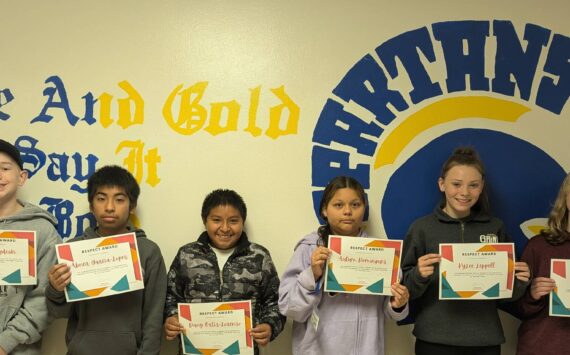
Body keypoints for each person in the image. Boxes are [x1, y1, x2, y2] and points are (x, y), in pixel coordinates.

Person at [401, 147, 531, 355]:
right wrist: (418, 275)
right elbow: (404, 288)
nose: (464, 193)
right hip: (434, 340)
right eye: (456, 184)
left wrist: (520, 282)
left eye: (473, 185)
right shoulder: (422, 228)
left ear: (481, 188)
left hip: (484, 340)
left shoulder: (495, 227)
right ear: (442, 184)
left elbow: (506, 295)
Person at [278, 176, 409, 355]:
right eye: (338, 205)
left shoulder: (382, 253)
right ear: (324, 209)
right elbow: (290, 309)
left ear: (364, 209)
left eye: (355, 205)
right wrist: (312, 275)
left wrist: (397, 304)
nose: (347, 211)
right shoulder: (309, 249)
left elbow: (389, 312)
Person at [45, 165, 167, 355]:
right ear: (91, 205)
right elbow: (60, 313)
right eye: (101, 199)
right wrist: (55, 289)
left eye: (119, 200)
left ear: (132, 206)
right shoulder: (74, 249)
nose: (109, 207)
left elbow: (154, 316)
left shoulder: (148, 251)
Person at [163, 189, 284, 354]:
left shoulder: (259, 256)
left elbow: (276, 302)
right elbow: (170, 297)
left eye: (233, 221)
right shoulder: (187, 255)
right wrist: (171, 318)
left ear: (243, 221)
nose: (225, 228)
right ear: (205, 220)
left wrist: (269, 325)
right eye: (216, 220)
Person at [0, 139, 60, 355]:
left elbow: (43, 299)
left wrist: (5, 343)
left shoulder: (42, 230)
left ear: (21, 177)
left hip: (17, 350)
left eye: (5, 168)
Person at [514, 172, 570, 355]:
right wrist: (532, 295)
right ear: (566, 198)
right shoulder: (540, 246)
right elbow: (516, 305)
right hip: (542, 347)